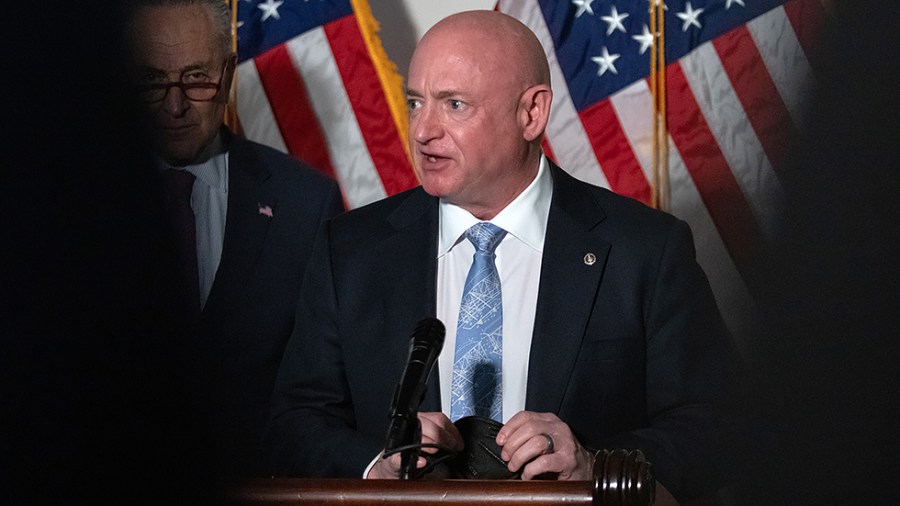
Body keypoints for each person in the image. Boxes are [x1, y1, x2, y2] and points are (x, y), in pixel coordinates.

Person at [266, 10, 730, 504]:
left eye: (454, 104)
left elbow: (714, 425)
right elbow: (295, 421)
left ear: (531, 113)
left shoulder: (645, 250)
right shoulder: (352, 250)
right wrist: (376, 464)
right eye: (416, 102)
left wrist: (594, 464)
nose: (423, 130)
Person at [125, 0, 344, 477]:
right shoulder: (68, 202)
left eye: (196, 77)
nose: (176, 103)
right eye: (152, 81)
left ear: (225, 78)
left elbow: (321, 391)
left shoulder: (305, 204)